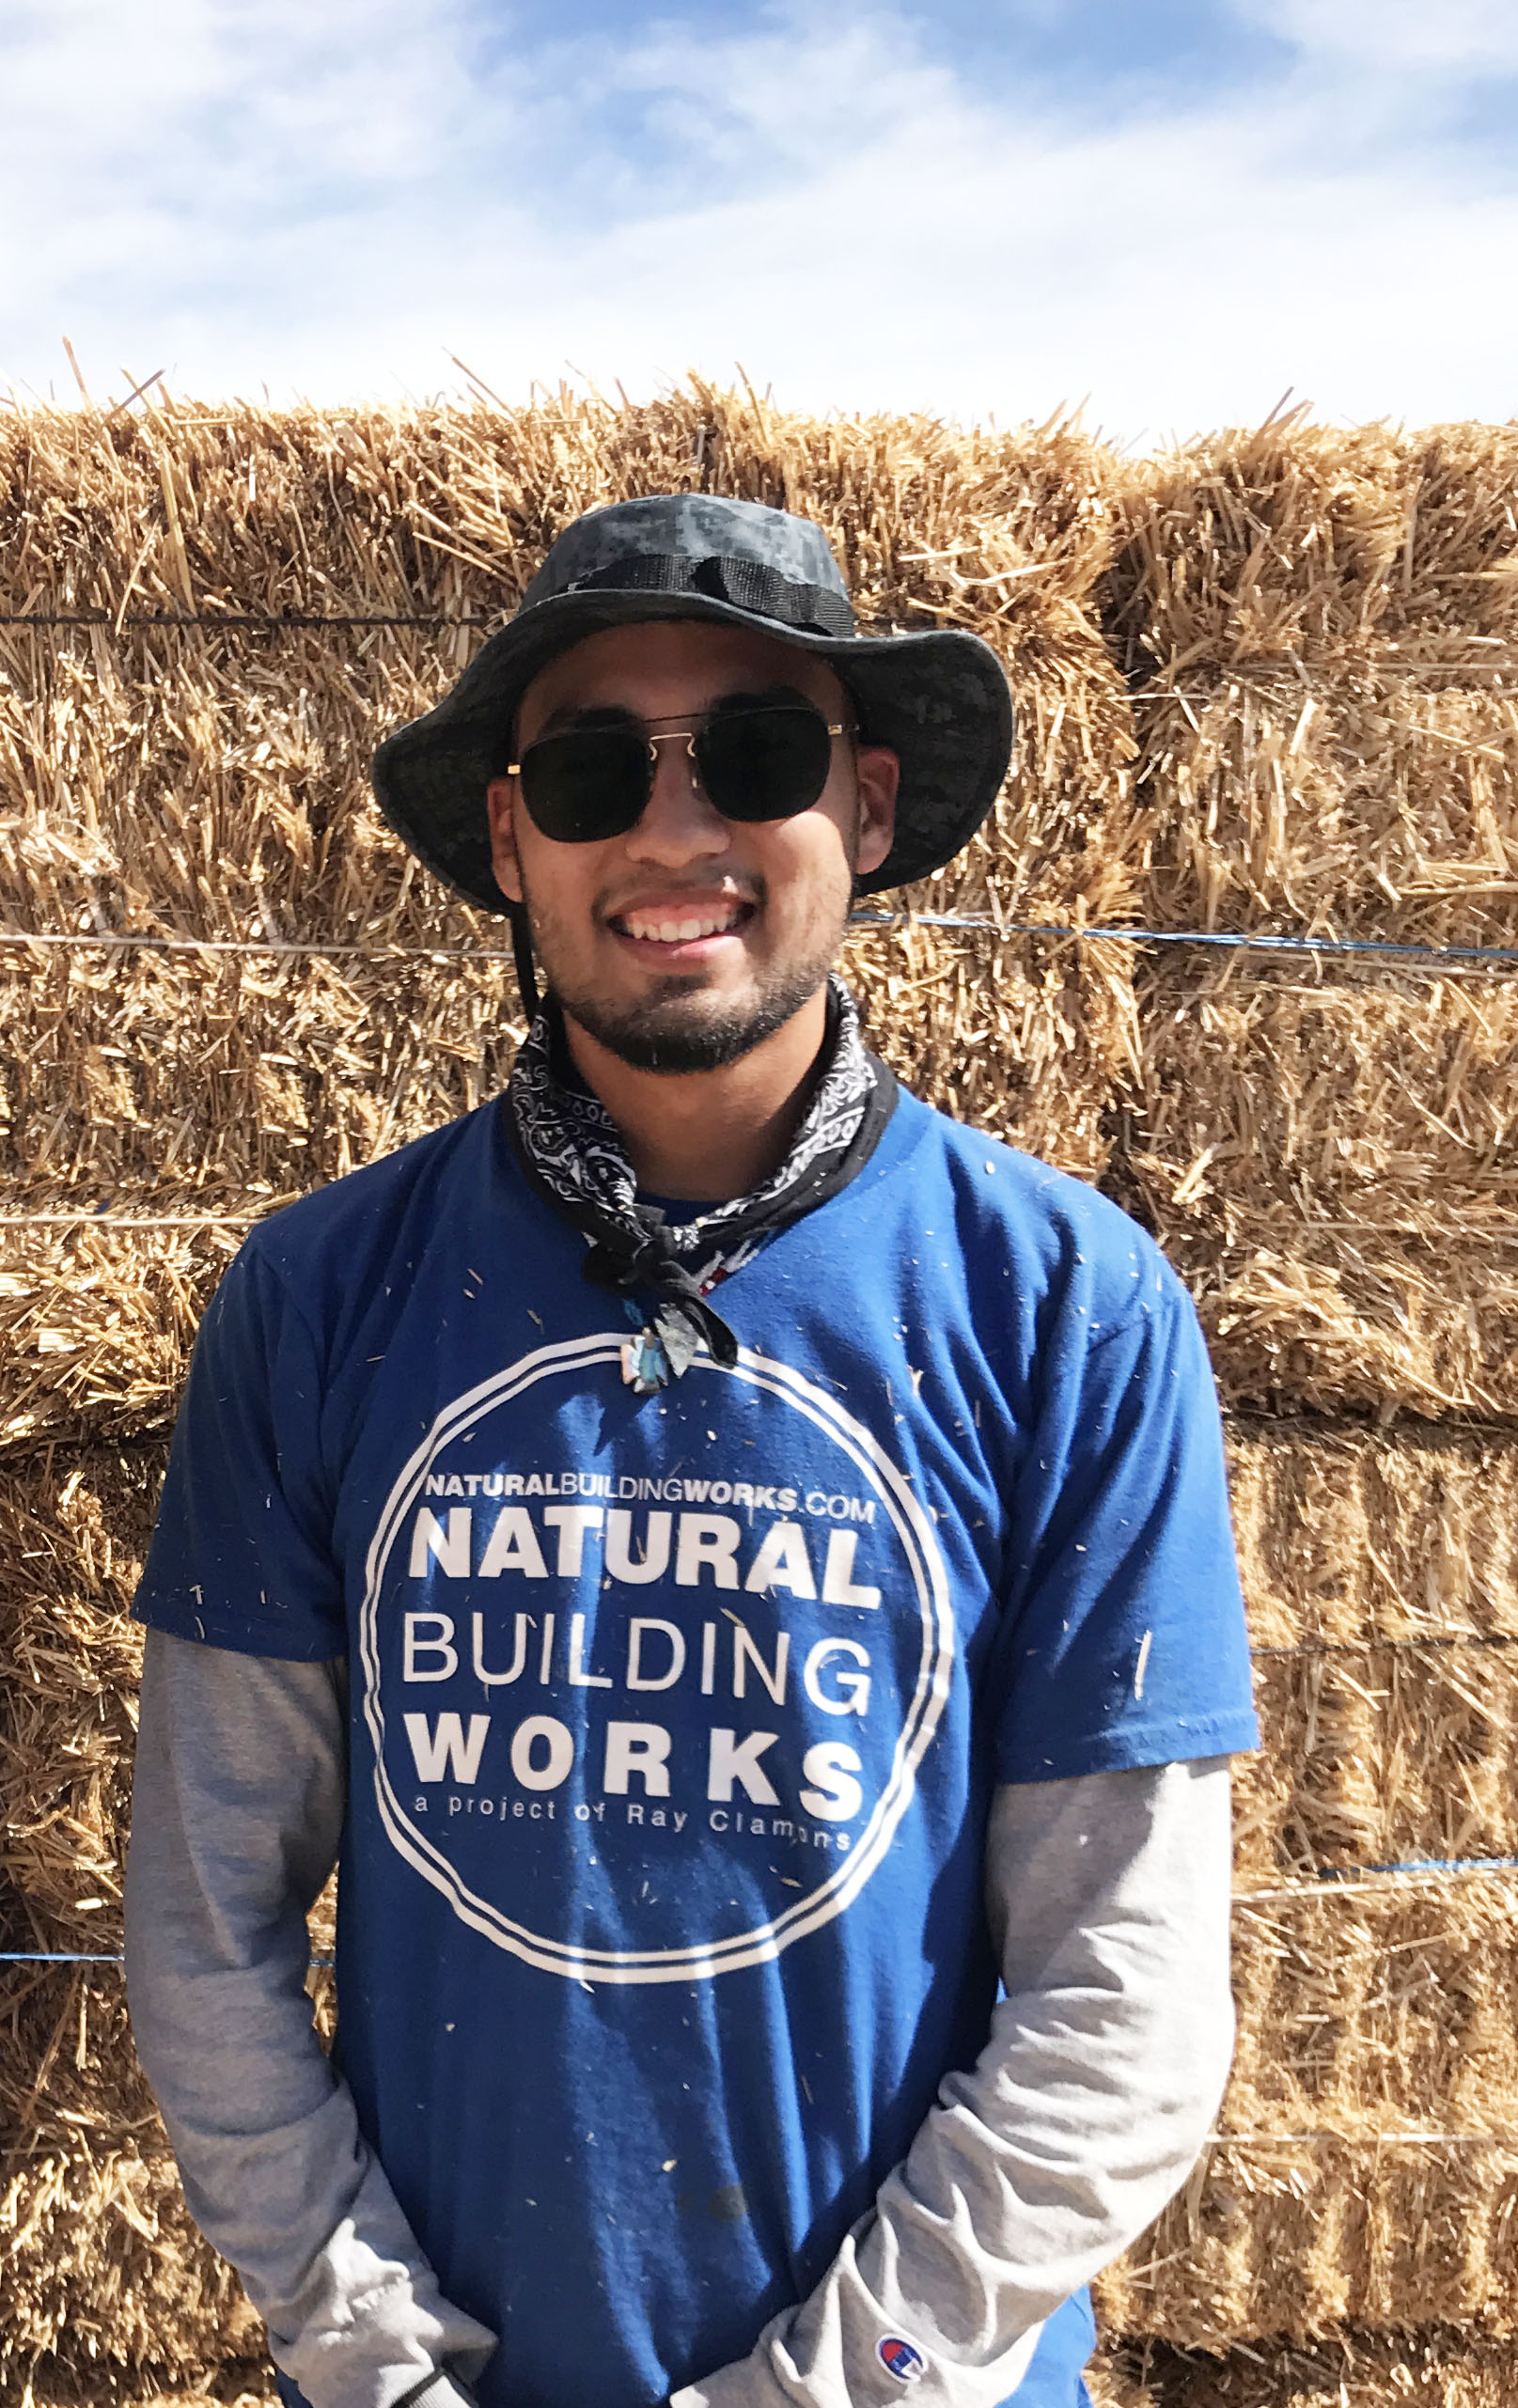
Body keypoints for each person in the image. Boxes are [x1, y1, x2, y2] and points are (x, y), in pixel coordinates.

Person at [124, 493, 1257, 2408]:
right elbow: (206, 1907)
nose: (668, 832)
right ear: (509, 840)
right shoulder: (317, 1297)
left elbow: (1124, 1991)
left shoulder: (1067, 1303)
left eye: (751, 753)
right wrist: (372, 2359)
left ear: (867, 812)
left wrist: (834, 2386)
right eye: (585, 770)